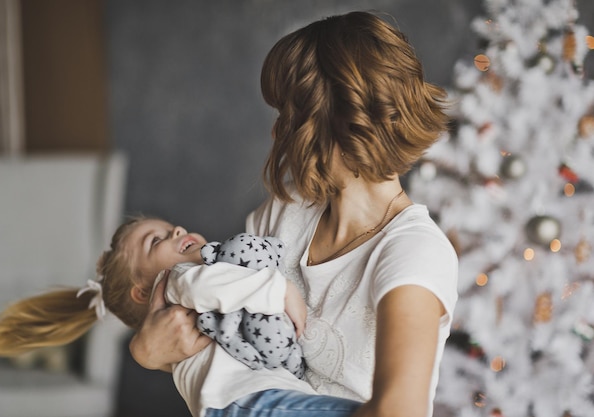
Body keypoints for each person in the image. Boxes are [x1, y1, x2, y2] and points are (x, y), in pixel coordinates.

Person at [129, 10, 459, 417]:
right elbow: (220, 341)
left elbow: (400, 410)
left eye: (287, 115)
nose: (276, 133)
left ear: (341, 121)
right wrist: (147, 352)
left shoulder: (413, 253)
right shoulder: (284, 214)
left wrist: (155, 357)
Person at [0, 216, 362, 417]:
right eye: (156, 241)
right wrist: (279, 290)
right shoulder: (175, 282)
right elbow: (209, 286)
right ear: (143, 292)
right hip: (247, 405)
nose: (176, 228)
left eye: (168, 227)